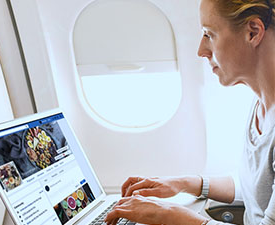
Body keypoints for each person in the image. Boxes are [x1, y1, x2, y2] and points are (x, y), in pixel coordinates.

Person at [104, 0, 275, 224]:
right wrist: (184, 183)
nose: (201, 50)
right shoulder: (261, 105)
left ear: (252, 32)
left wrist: (167, 215)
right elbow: (256, 188)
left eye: (209, 34)